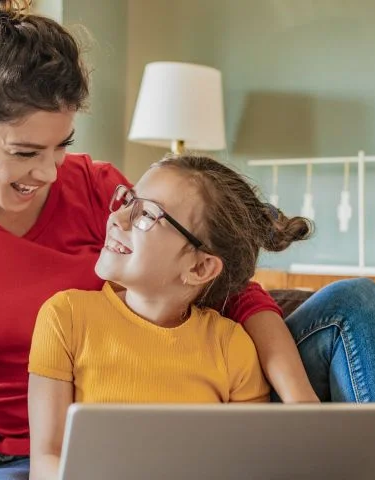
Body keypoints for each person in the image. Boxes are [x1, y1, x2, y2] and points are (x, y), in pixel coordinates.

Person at [0, 0, 375, 478]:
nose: (49, 173)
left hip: (192, 413)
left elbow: (229, 289)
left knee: (356, 300)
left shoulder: (98, 190)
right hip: (45, 456)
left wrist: (297, 404)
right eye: (24, 152)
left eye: (62, 144)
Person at [27, 154, 313, 480]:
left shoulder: (232, 347)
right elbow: (47, 460)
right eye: (129, 199)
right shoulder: (66, 318)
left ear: (200, 268)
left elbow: (244, 466)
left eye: (146, 214)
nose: (117, 218)